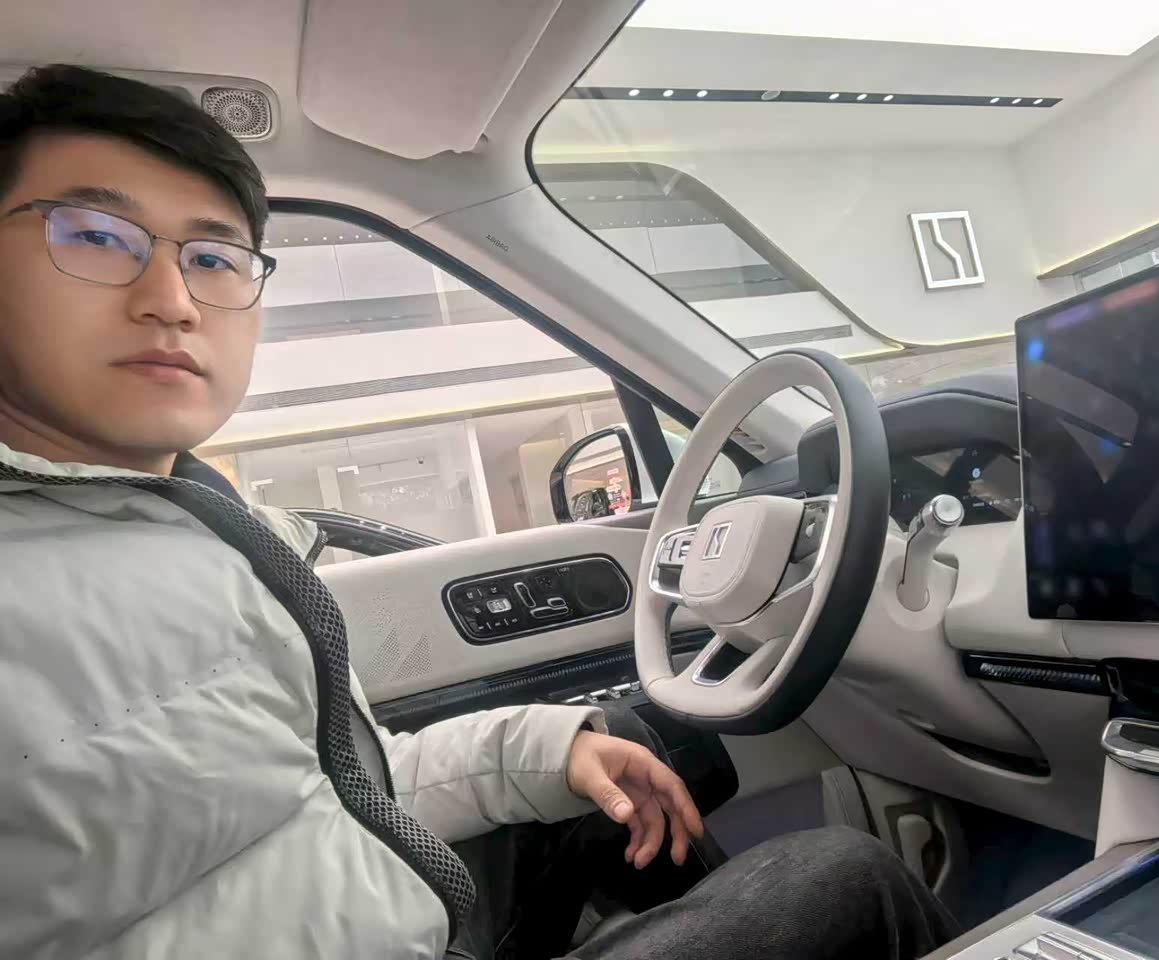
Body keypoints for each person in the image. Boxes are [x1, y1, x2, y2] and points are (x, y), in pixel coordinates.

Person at [0, 65, 956, 959]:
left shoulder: (188, 516)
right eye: (95, 236)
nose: (171, 299)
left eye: (213, 256)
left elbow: (332, 791)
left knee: (620, 762)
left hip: (385, 907)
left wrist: (550, 751)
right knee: (848, 881)